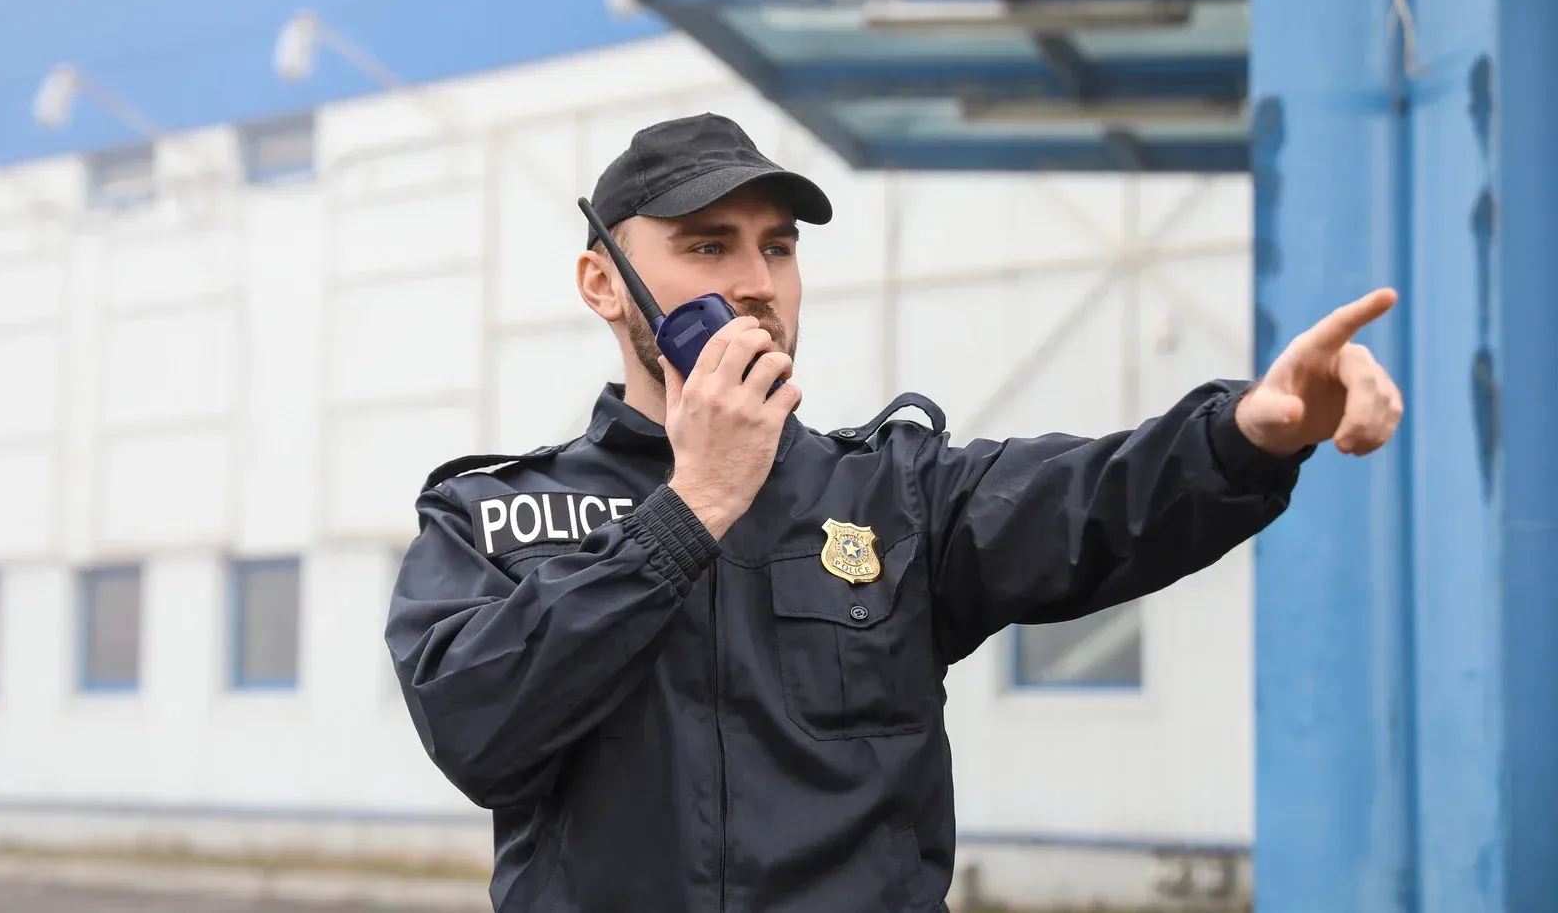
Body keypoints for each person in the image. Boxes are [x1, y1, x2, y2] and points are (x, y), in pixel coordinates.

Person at [385, 113, 1404, 913]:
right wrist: (691, 508)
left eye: (777, 249)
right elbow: (481, 731)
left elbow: (1095, 497)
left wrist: (1252, 428)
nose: (755, 284)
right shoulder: (497, 517)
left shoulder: (890, 495)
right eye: (706, 246)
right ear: (602, 282)